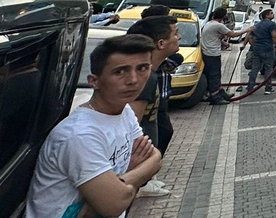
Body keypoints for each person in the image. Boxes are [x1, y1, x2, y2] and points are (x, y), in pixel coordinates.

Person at [25, 34, 163, 218]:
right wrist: (131, 176)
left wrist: (120, 183)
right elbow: (114, 205)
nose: (134, 80)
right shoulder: (79, 136)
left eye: (142, 68)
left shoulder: (125, 111)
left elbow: (155, 157)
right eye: (120, 72)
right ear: (94, 81)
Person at [125, 15, 180, 198]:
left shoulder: (151, 73)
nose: (178, 37)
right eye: (175, 33)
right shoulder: (144, 77)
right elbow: (132, 125)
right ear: (161, 43)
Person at [201, 7, 246, 105]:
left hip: (207, 53)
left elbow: (214, 37)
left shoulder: (209, 24)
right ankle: (215, 97)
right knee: (214, 75)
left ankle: (221, 93)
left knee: (214, 75)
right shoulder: (218, 25)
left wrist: (223, 42)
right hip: (212, 54)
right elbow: (233, 34)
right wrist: (247, 30)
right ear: (223, 16)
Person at [245, 8, 276, 94]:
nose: (273, 14)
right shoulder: (271, 24)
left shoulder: (257, 25)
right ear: (267, 15)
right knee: (268, 68)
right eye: (271, 13)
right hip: (268, 49)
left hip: (257, 49)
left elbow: (249, 36)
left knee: (255, 68)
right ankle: (268, 88)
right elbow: (274, 36)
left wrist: (253, 45)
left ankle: (250, 87)